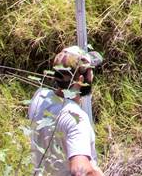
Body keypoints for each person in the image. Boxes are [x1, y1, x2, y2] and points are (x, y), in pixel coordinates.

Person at [28, 46, 104, 176]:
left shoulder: (40, 96)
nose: (92, 74)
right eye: (90, 71)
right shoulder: (76, 119)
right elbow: (80, 171)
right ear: (80, 80)